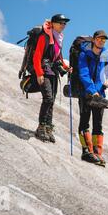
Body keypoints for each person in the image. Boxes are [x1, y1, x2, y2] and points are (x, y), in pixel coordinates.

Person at [77, 30, 108, 166]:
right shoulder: (84, 54)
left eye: (104, 40)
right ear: (93, 39)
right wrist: (93, 91)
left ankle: (97, 154)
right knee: (85, 122)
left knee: (98, 124)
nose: (101, 41)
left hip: (100, 95)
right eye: (99, 39)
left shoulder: (106, 56)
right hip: (86, 93)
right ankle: (87, 152)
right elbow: (84, 74)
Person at [33, 14, 72, 143]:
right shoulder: (45, 36)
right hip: (44, 71)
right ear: (53, 23)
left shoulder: (58, 38)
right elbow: (37, 55)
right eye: (61, 23)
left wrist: (66, 67)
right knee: (48, 98)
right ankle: (41, 127)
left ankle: (48, 128)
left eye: (65, 23)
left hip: (53, 71)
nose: (63, 25)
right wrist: (39, 73)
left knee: (52, 100)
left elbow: (58, 57)